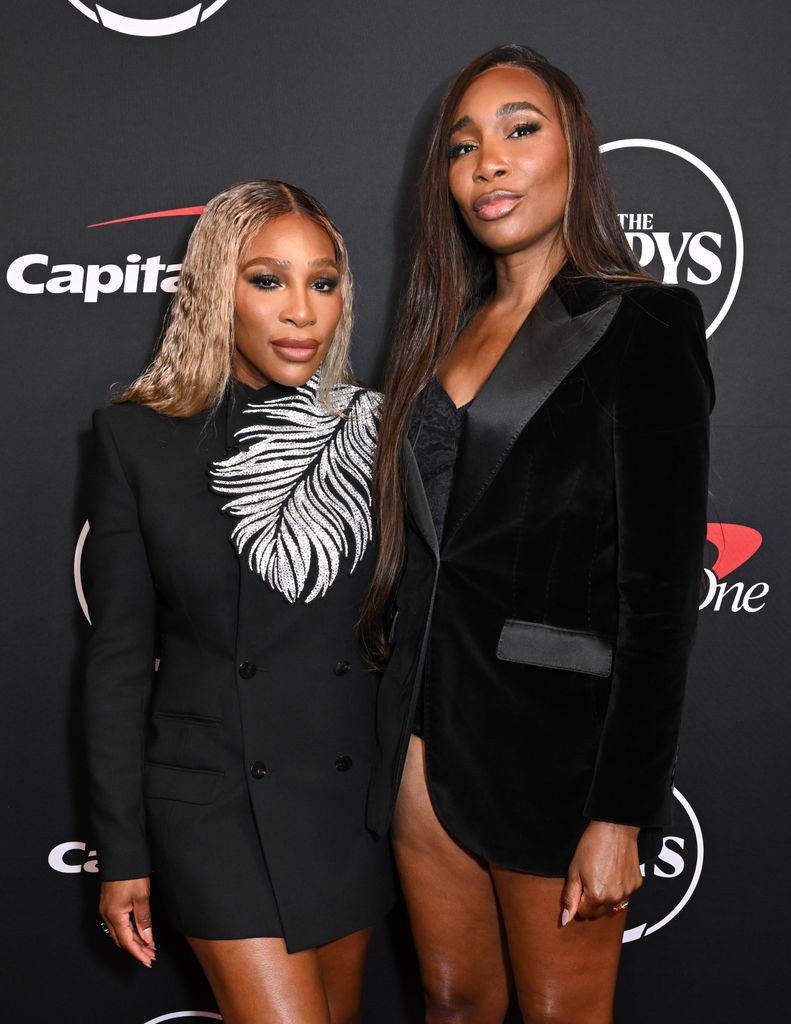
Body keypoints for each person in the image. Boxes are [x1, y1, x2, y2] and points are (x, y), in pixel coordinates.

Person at [362, 44, 714, 1023]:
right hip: (419, 748)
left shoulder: (640, 326)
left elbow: (656, 598)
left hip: (553, 753)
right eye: (463, 145)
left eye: (520, 129)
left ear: (575, 153)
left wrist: (618, 813)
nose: (489, 162)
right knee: (449, 1004)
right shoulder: (440, 332)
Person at [84, 180, 392, 1024]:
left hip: (343, 803)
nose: (301, 311)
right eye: (268, 280)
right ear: (217, 288)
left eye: (322, 284)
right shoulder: (137, 439)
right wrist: (121, 852)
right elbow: (117, 664)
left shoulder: (378, 432)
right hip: (216, 805)